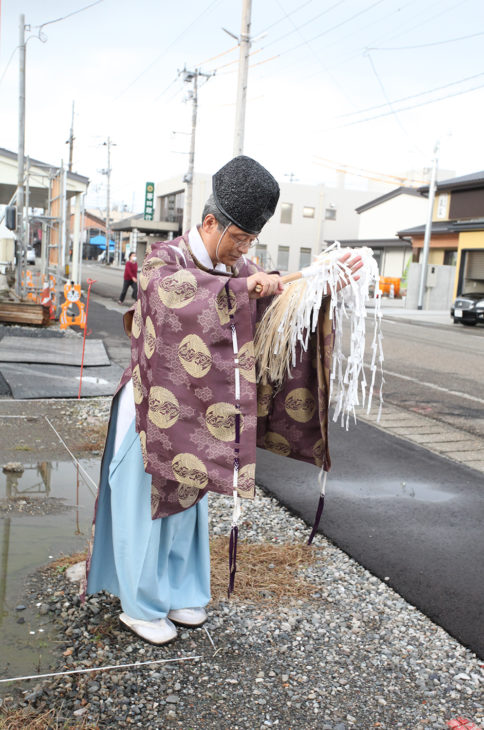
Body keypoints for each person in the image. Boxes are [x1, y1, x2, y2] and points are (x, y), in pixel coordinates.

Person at [85, 155, 362, 646]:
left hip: (200, 412)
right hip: (150, 407)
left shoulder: (242, 267)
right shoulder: (161, 258)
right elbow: (172, 294)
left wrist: (321, 285)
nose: (243, 250)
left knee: (189, 505)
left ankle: (179, 592)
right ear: (210, 222)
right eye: (238, 239)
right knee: (144, 507)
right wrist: (242, 288)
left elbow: (277, 307)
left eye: (250, 242)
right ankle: (140, 604)